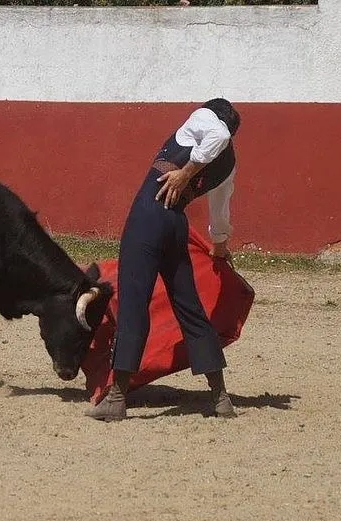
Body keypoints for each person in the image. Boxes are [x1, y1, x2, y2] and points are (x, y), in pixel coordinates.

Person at [85, 98, 241, 422]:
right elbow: (220, 212)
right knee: (190, 306)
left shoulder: (204, 119)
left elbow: (219, 136)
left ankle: (116, 398)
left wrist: (185, 173)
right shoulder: (228, 165)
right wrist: (220, 246)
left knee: (133, 303)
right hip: (175, 225)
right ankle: (220, 397)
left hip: (147, 217)